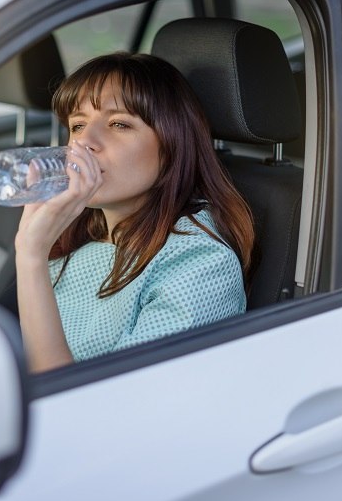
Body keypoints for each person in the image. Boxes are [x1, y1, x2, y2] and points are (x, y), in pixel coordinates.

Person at [15, 52, 254, 373]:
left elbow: (82, 404)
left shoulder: (201, 264)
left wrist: (30, 256)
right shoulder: (79, 235)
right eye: (78, 125)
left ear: (172, 145)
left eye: (118, 124)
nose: (85, 141)